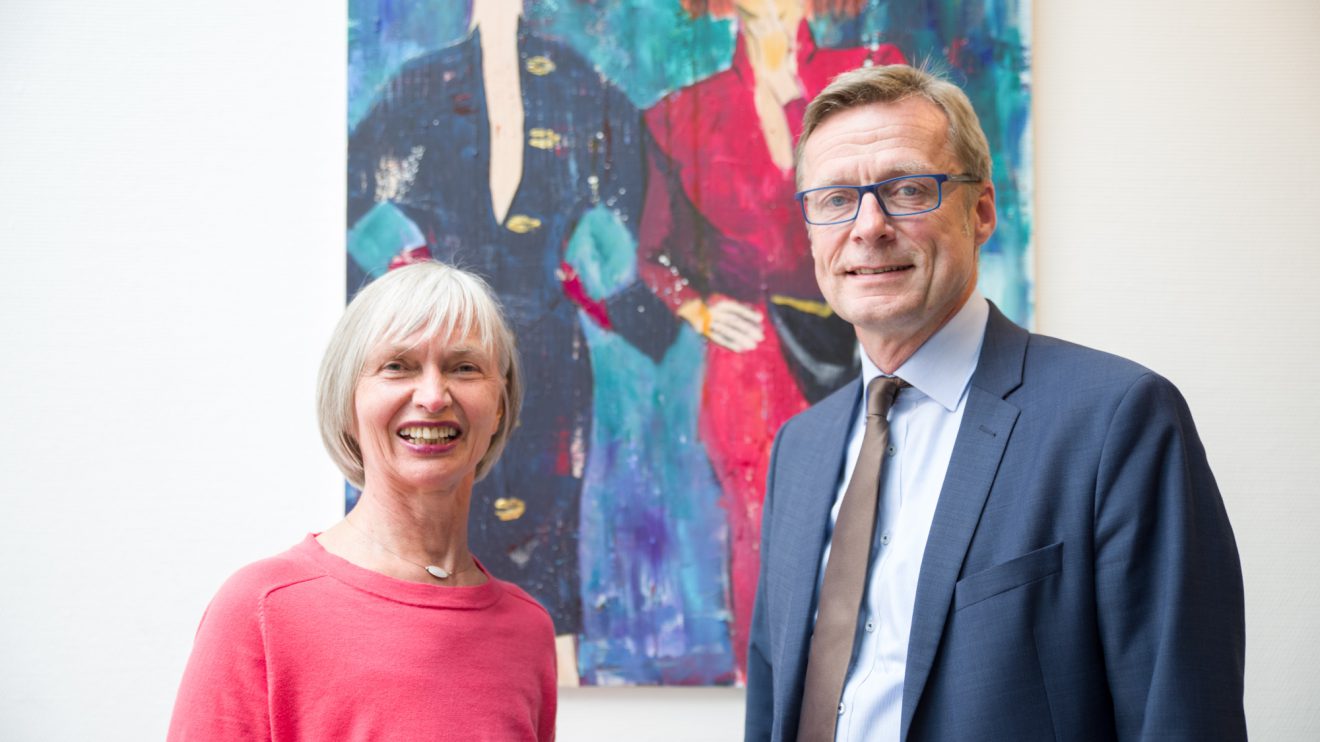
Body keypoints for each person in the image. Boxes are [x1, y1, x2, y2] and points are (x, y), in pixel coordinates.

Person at [744, 64, 1245, 741]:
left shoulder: (1117, 422)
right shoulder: (798, 450)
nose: (868, 227)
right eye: (835, 199)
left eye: (908, 189)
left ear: (980, 211)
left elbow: (1179, 717)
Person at [168, 262, 556, 740]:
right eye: (398, 366)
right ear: (348, 402)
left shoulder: (529, 632)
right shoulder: (261, 610)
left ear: (499, 406)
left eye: (464, 367)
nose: (434, 396)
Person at [640, 0, 905, 678]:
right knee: (764, 544)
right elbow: (650, 252)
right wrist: (695, 308)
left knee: (891, 532)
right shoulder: (679, 115)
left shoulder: (872, 78)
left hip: (876, 342)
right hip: (755, 362)